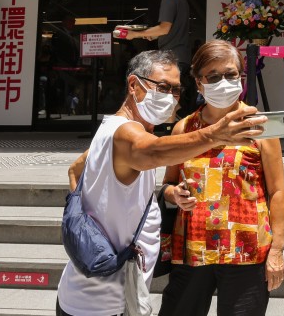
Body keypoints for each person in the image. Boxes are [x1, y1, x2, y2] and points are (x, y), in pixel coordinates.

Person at [59, 50, 265, 316]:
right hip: (101, 303)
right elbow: (153, 152)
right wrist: (215, 135)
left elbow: (74, 170)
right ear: (133, 85)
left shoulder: (111, 129)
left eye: (176, 90)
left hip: (104, 293)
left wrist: (88, 220)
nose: (171, 97)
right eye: (163, 87)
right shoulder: (126, 132)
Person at [159, 41, 284, 316]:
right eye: (213, 76)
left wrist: (276, 250)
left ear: (241, 77)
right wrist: (174, 194)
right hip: (193, 248)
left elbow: (277, 191)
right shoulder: (184, 128)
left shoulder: (261, 128)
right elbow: (168, 183)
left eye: (230, 74)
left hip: (246, 250)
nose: (224, 83)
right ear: (199, 83)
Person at [126, 0, 196, 116]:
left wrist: (134, 34)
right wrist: (154, 35)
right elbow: (170, 29)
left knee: (166, 98)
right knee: (173, 98)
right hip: (181, 55)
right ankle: (178, 124)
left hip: (172, 56)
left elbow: (164, 28)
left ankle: (174, 125)